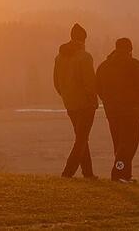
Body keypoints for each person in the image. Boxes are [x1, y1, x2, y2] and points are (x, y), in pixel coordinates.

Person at [96, 37, 139, 183]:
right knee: (129, 145)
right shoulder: (135, 65)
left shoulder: (103, 66)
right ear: (130, 50)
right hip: (131, 111)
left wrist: (107, 102)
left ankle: (125, 175)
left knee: (119, 145)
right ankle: (118, 173)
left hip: (112, 112)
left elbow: (99, 88)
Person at [53, 23, 99, 178]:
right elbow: (90, 83)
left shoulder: (59, 57)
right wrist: (93, 100)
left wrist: (66, 95)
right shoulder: (85, 57)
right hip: (85, 104)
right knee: (81, 139)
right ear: (83, 39)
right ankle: (68, 172)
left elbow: (56, 83)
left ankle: (88, 173)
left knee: (81, 138)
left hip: (70, 104)